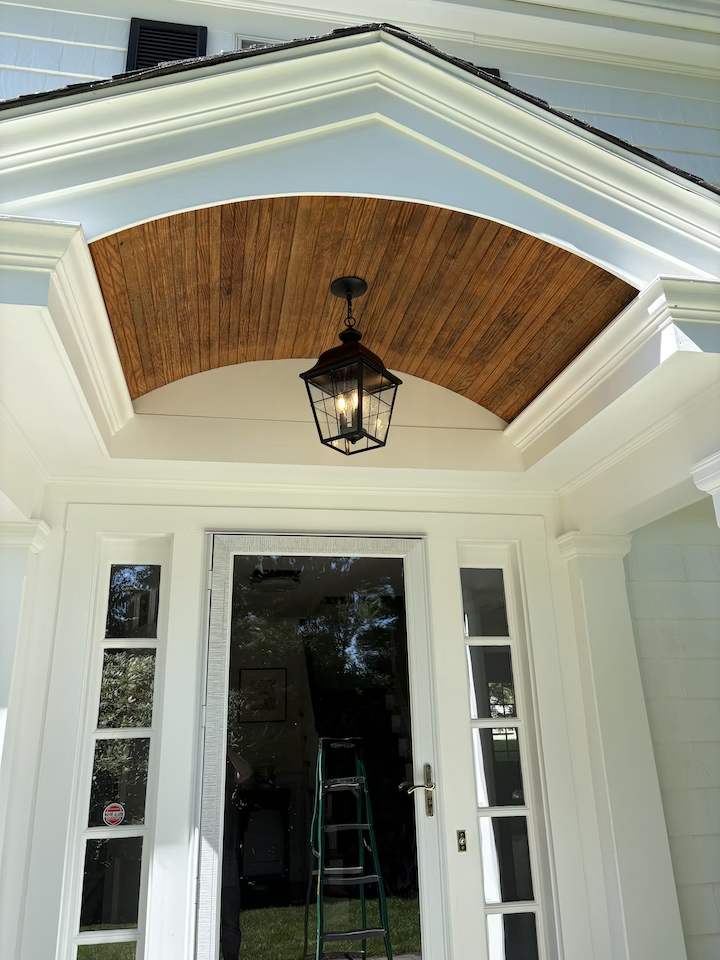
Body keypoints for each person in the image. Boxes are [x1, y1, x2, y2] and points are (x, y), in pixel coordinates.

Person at [221, 745, 253, 960]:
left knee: (230, 919)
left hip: (227, 857)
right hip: (201, 856)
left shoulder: (224, 777)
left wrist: (227, 750)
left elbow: (246, 772)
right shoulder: (193, 775)